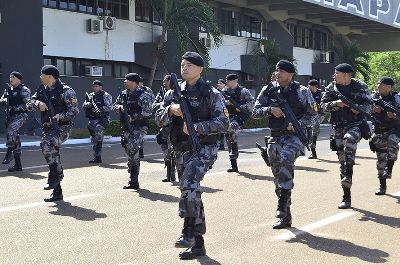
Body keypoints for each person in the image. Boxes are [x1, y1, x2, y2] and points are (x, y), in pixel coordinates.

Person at [155, 52, 228, 260]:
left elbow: (224, 123)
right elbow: (158, 118)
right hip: (181, 148)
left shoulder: (212, 93)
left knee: (188, 184)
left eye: (189, 65)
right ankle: (198, 244)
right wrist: (171, 109)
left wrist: (198, 127)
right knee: (192, 191)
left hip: (204, 148)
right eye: (182, 64)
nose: (184, 68)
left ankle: (187, 230)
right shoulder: (172, 94)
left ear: (200, 69)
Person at [252, 60, 317, 229]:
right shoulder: (268, 90)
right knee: (277, 176)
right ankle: (285, 215)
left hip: (294, 136)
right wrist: (270, 110)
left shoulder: (302, 91)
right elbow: (255, 111)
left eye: (282, 71)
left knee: (286, 158)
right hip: (275, 137)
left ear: (290, 74)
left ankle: (281, 206)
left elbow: (315, 115)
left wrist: (298, 124)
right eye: (277, 70)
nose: (278, 73)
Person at [321, 63, 372, 209]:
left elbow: (370, 105)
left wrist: (358, 109)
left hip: (355, 125)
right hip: (338, 127)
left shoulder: (360, 86)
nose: (333, 76)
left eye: (336, 73)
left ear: (345, 75)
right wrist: (336, 103)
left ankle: (348, 174)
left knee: (349, 139)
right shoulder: (331, 88)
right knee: (342, 162)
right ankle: (346, 197)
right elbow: (322, 106)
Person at [27, 65, 79, 202]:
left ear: (49, 77)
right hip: (48, 127)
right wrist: (38, 103)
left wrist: (60, 116)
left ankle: (56, 176)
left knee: (48, 145)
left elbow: (74, 111)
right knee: (49, 151)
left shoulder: (67, 91)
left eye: (42, 75)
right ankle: (57, 191)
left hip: (62, 127)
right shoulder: (42, 89)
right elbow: (29, 103)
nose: (40, 77)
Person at [113, 73, 154, 190]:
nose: (124, 81)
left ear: (134, 82)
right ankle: (133, 178)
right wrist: (119, 107)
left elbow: (148, 111)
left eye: (127, 80)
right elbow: (114, 105)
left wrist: (133, 116)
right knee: (130, 151)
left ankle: (134, 179)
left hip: (139, 127)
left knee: (132, 147)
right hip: (126, 126)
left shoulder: (143, 95)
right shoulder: (123, 94)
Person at [369, 77, 400, 195]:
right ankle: (382, 186)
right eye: (378, 84)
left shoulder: (397, 99)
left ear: (389, 87)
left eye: (381, 85)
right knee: (380, 159)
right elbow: (364, 109)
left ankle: (389, 168)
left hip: (394, 129)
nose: (378, 86)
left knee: (393, 141)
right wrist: (373, 108)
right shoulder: (374, 97)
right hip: (379, 131)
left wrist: (394, 116)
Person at [222, 73, 255, 172]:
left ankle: (234, 151)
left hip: (240, 117)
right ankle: (234, 165)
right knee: (229, 138)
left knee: (232, 128)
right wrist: (225, 103)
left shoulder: (243, 91)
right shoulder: (224, 92)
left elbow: (252, 103)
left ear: (234, 81)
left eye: (228, 81)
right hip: (228, 116)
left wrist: (240, 108)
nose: (226, 82)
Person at [0, 71, 31, 171]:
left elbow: (27, 105)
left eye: (13, 77)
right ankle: (18, 165)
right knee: (15, 139)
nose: (11, 79)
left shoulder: (24, 90)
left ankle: (9, 152)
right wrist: (4, 101)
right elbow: (1, 100)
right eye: (10, 77)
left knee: (11, 130)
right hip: (10, 116)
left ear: (19, 79)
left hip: (21, 115)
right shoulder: (8, 90)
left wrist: (15, 108)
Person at [153, 74, 176, 182]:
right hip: (164, 124)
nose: (164, 83)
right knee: (165, 149)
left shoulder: (176, 92)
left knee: (173, 150)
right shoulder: (161, 93)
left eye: (166, 81)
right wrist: (163, 105)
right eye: (163, 81)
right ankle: (168, 173)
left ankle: (172, 174)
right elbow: (153, 105)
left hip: (174, 125)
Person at [82, 80, 112, 163]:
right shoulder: (90, 96)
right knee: (95, 138)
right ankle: (96, 156)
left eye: (96, 86)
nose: (95, 88)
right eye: (94, 86)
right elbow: (83, 105)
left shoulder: (105, 95)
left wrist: (99, 109)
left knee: (99, 134)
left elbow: (109, 107)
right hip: (92, 120)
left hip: (102, 119)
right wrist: (88, 104)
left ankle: (98, 156)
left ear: (100, 87)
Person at [307, 79, 324, 159]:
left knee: (315, 131)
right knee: (310, 132)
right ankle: (313, 151)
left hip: (318, 115)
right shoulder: (307, 93)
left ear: (314, 86)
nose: (308, 87)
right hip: (309, 115)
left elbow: (324, 104)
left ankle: (313, 151)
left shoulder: (321, 94)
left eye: (309, 86)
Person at [216, 79, 227, 150]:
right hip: (218, 112)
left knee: (223, 128)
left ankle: (222, 144)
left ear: (224, 84)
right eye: (218, 83)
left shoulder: (226, 91)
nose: (218, 84)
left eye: (220, 83)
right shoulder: (217, 91)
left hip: (225, 111)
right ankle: (220, 144)